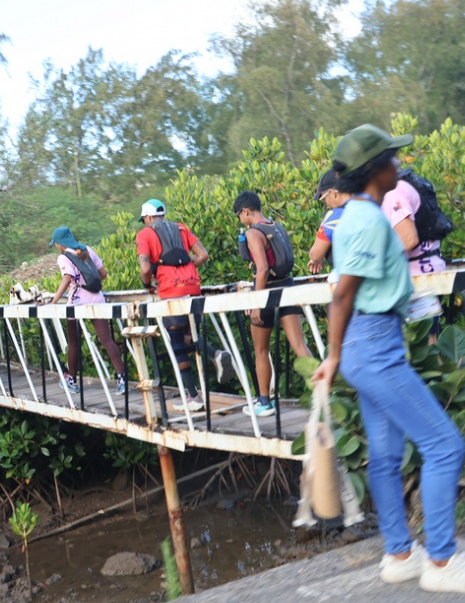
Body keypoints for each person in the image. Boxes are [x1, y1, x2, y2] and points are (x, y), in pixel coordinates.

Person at [313, 123, 465, 594]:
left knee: (384, 456)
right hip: (373, 346)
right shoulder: (366, 220)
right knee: (445, 446)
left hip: (368, 344)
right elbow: (343, 294)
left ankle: (400, 555)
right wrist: (333, 356)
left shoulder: (357, 214)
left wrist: (340, 354)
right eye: (391, 160)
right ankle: (442, 561)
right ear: (374, 169)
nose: (398, 166)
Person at [135, 199, 235, 412]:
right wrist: (186, 269)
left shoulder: (145, 234)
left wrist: (148, 284)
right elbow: (203, 255)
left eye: (144, 219)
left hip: (171, 291)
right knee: (190, 335)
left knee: (177, 342)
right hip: (193, 286)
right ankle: (215, 355)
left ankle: (193, 397)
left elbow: (145, 268)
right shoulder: (181, 228)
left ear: (148, 217)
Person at [234, 191, 312, 417]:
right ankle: (325, 394)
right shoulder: (278, 227)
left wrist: (256, 303)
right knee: (299, 345)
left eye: (239, 216)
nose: (241, 220)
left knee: (261, 351)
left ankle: (265, 403)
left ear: (245, 211)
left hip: (267, 292)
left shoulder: (253, 232)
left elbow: (262, 270)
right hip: (288, 288)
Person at [47, 227, 128, 395]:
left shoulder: (63, 257)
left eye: (55, 244)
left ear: (59, 244)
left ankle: (71, 380)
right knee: (107, 340)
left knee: (74, 342)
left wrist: (53, 301)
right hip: (97, 299)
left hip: (76, 302)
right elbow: (103, 273)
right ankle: (122, 379)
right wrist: (89, 282)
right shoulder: (87, 249)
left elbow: (67, 278)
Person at [308, 169, 348, 275]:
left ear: (332, 193)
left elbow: (315, 254)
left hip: (347, 275)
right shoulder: (366, 206)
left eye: (324, 197)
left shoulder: (335, 215)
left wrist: (318, 258)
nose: (327, 203)